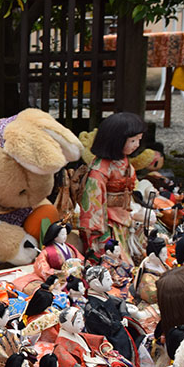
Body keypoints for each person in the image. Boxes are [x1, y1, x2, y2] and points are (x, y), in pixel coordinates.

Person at [79, 112, 147, 262]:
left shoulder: (123, 160)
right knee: (119, 261)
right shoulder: (99, 170)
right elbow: (93, 204)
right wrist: (100, 234)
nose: (137, 145)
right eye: (133, 141)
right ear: (117, 140)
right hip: (107, 223)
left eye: (138, 140)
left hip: (124, 217)